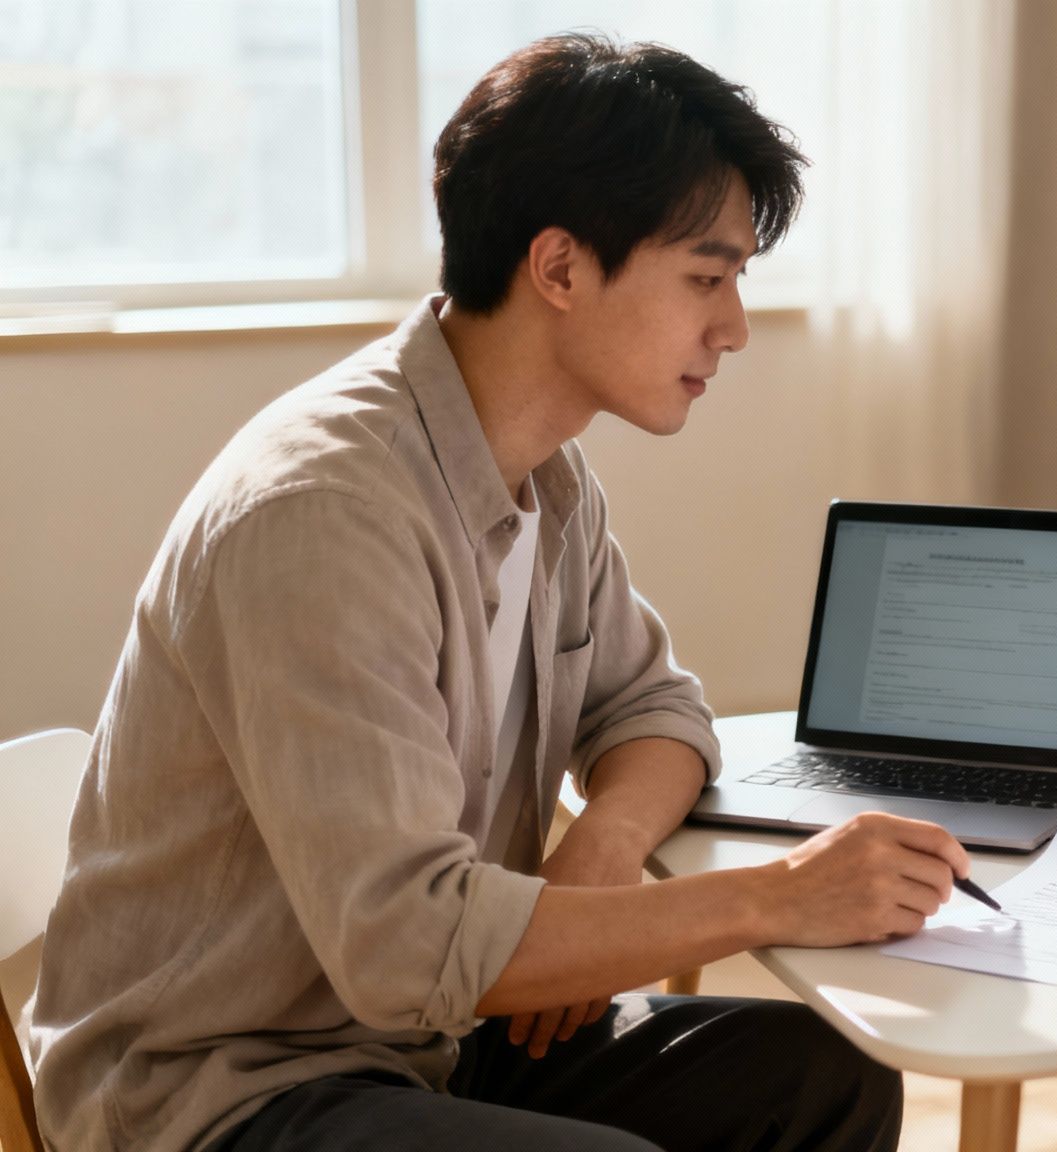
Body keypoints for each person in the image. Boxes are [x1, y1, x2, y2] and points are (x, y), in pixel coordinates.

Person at [29, 33, 965, 1152]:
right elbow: (407, 948)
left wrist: (603, 847)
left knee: (821, 1076)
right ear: (560, 269)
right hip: (223, 1090)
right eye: (706, 278)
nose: (733, 328)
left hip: (421, 1040)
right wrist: (776, 897)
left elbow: (656, 711)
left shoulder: (544, 473)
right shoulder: (325, 513)